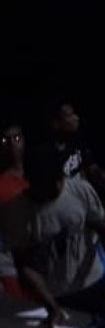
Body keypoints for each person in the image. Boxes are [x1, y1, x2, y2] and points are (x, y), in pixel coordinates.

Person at [1, 144, 105, 328]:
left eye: (59, 180)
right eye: (50, 184)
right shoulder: (16, 214)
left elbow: (103, 228)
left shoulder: (80, 190)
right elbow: (25, 267)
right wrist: (51, 306)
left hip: (94, 284)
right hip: (56, 295)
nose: (58, 187)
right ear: (31, 181)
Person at [45, 99, 105, 219]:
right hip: (65, 211)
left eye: (74, 114)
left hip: (85, 204)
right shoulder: (48, 151)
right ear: (56, 123)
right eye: (69, 116)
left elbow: (93, 168)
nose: (76, 118)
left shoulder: (78, 140)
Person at [0, 118, 29, 297]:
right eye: (5, 140)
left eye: (16, 138)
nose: (12, 145)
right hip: (14, 264)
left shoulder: (40, 175)